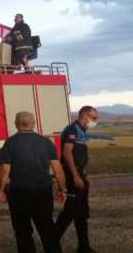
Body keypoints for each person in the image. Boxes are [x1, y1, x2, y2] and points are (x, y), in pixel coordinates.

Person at [0, 111, 67, 253]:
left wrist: (0, 189)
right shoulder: (46, 142)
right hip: (43, 192)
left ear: (16, 125)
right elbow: (58, 170)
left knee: (23, 232)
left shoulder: (10, 142)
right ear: (33, 124)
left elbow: (5, 170)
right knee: (47, 229)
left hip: (19, 193)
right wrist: (62, 189)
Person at [56, 106, 111, 253]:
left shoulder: (81, 130)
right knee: (70, 212)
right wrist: (75, 175)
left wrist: (83, 174)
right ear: (84, 116)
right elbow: (67, 153)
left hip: (79, 173)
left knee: (81, 213)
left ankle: (84, 247)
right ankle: (51, 242)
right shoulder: (72, 130)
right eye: (94, 118)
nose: (95, 121)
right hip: (72, 174)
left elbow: (78, 155)